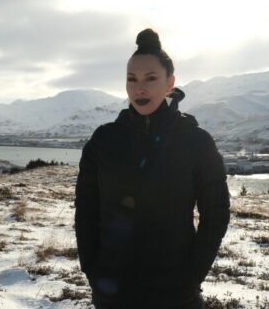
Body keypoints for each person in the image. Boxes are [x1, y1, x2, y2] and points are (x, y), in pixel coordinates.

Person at [74, 28, 231, 309]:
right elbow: (86, 208)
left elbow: (216, 214)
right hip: (112, 293)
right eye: (131, 79)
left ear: (170, 83)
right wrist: (92, 268)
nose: (139, 88)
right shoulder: (103, 141)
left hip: (176, 294)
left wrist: (191, 276)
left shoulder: (196, 142)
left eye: (150, 78)